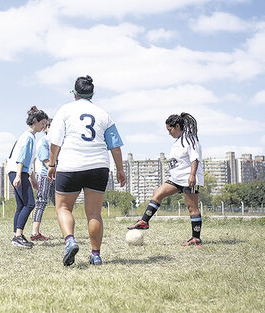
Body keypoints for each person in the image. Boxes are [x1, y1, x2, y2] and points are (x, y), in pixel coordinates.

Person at [48, 75, 126, 266]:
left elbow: (55, 141)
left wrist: (51, 165)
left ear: (74, 93)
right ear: (92, 94)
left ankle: (70, 241)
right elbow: (115, 146)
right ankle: (96, 255)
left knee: (64, 207)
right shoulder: (104, 114)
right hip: (98, 166)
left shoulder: (65, 110)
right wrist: (120, 170)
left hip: (70, 165)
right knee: (94, 214)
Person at [128, 113, 204, 246]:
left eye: (170, 130)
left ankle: (196, 238)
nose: (169, 133)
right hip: (176, 179)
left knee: (192, 208)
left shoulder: (189, 139)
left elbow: (194, 159)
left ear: (178, 126)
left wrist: (192, 175)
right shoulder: (178, 141)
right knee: (157, 193)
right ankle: (144, 222)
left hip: (188, 179)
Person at [7, 106, 48, 248]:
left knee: (21, 205)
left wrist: (33, 178)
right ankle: (18, 236)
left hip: (15, 171)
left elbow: (29, 161)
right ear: (35, 121)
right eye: (43, 123)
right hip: (18, 172)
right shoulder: (28, 137)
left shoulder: (29, 136)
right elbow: (22, 158)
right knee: (30, 204)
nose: (44, 126)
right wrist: (18, 176)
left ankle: (16, 236)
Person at [31, 118, 55, 241]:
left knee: (61, 204)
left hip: (56, 175)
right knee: (41, 202)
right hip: (45, 176)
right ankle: (35, 232)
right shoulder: (43, 141)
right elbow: (46, 161)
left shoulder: (58, 142)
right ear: (46, 128)